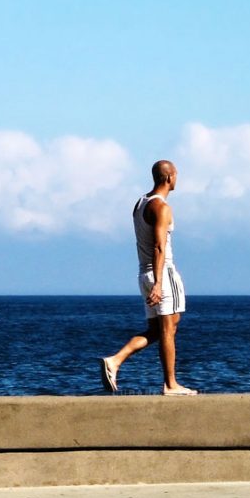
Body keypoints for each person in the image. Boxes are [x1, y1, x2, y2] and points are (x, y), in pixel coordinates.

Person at [99, 160, 197, 395]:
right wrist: (160, 282)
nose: (177, 179)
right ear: (169, 178)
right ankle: (170, 384)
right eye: (176, 175)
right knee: (167, 330)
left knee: (158, 329)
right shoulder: (161, 207)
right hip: (162, 273)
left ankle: (115, 361)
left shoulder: (140, 203)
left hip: (145, 273)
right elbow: (159, 247)